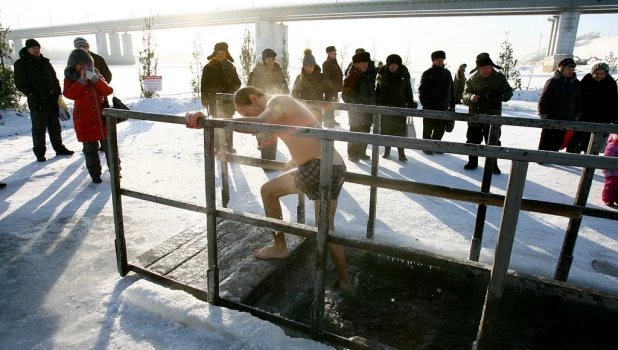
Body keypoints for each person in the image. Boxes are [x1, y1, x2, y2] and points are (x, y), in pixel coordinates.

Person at [184, 86, 352, 291]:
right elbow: (302, 130)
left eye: (247, 113)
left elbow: (261, 123)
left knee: (268, 191)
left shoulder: (276, 101)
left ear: (254, 98)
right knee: (326, 228)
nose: (249, 116)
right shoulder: (286, 104)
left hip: (316, 168)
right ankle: (345, 281)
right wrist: (294, 159)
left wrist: (213, 123)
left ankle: (280, 247)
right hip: (334, 167)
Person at [14, 39, 74, 162]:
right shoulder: (21, 64)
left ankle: (59, 148)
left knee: (55, 128)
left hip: (52, 101)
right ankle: (40, 153)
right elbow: (20, 84)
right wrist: (35, 96)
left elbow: (54, 78)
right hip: (37, 103)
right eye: (33, 48)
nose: (36, 51)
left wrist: (58, 92)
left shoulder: (45, 62)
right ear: (27, 49)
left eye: (38, 48)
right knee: (39, 129)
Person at [62, 49, 114, 184]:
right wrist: (81, 81)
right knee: (90, 150)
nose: (83, 67)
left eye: (86, 64)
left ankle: (115, 171)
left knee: (109, 147)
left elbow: (108, 91)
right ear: (73, 65)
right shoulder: (70, 77)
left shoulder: (96, 75)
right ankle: (95, 174)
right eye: (80, 64)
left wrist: (96, 80)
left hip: (100, 118)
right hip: (84, 119)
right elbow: (69, 94)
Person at [462, 53, 513, 174]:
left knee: (493, 142)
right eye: (483, 68)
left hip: (493, 117)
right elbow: (464, 95)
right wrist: (471, 97)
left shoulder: (499, 78)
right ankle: (472, 162)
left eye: (488, 68)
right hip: (475, 116)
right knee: (473, 141)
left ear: (492, 67)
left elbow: (509, 92)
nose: (486, 70)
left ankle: (493, 165)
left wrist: (500, 96)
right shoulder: (472, 79)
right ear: (478, 68)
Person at [247, 48, 289, 161]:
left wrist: (285, 92)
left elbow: (283, 82)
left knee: (273, 123)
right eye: (268, 59)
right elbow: (253, 86)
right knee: (262, 123)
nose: (271, 61)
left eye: (272, 59)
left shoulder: (278, 69)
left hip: (275, 100)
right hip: (261, 101)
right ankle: (262, 143)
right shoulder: (258, 70)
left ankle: (271, 147)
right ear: (264, 60)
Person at [567, 62, 618, 154]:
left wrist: (614, 118)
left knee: (595, 140)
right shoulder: (585, 82)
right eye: (597, 73)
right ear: (593, 73)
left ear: (606, 73)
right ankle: (573, 157)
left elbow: (613, 102)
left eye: (602, 73)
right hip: (585, 115)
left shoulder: (611, 84)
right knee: (579, 137)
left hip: (601, 117)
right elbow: (577, 99)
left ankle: (589, 158)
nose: (599, 76)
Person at [73, 36, 113, 152]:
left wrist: (99, 84)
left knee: (102, 121)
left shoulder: (97, 59)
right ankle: (90, 144)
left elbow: (107, 75)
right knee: (89, 123)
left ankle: (104, 143)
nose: (83, 48)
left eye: (84, 46)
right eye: (80, 47)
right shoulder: (75, 61)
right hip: (84, 98)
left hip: (99, 96)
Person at [201, 42, 241, 153]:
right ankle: (217, 147)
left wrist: (232, 91)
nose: (221, 55)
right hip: (214, 101)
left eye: (223, 53)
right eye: (219, 53)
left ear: (226, 54)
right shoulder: (208, 67)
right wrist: (204, 99)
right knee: (217, 124)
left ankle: (229, 146)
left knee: (228, 123)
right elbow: (204, 85)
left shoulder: (230, 66)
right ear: (215, 53)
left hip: (228, 101)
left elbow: (238, 82)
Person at [375, 54, 416, 161]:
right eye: (391, 65)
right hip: (386, 106)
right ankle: (387, 149)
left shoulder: (404, 74)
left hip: (400, 107)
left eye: (395, 65)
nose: (393, 67)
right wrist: (376, 102)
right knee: (386, 130)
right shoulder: (382, 74)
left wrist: (410, 103)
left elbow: (408, 90)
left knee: (400, 131)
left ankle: (401, 152)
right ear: (388, 65)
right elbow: (378, 90)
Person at [537, 57, 581, 153]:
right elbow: (544, 98)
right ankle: (540, 157)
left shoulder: (576, 83)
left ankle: (553, 157)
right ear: (562, 69)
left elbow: (578, 100)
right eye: (568, 69)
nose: (571, 71)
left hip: (567, 117)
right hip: (552, 116)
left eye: (572, 69)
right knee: (546, 138)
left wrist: (577, 113)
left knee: (559, 139)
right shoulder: (553, 82)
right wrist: (542, 112)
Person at [342, 51, 376, 162]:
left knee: (365, 130)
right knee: (355, 131)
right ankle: (352, 154)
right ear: (356, 64)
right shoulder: (351, 77)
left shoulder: (369, 77)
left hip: (368, 110)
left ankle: (362, 152)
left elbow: (372, 92)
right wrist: (357, 104)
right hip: (356, 112)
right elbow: (345, 96)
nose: (366, 65)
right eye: (363, 63)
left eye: (366, 62)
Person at [419, 50, 456, 154]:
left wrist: (452, 105)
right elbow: (422, 91)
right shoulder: (427, 73)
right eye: (438, 60)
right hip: (430, 107)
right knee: (428, 128)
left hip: (443, 107)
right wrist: (426, 105)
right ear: (433, 60)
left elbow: (451, 90)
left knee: (440, 128)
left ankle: (436, 146)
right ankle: (427, 147)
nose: (440, 61)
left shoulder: (447, 73)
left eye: (442, 59)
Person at [292, 49, 326, 122]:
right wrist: (298, 105)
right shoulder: (299, 78)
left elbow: (329, 91)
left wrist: (325, 103)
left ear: (314, 65)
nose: (308, 69)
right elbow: (294, 93)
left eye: (310, 66)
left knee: (317, 130)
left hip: (317, 109)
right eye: (306, 66)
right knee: (304, 131)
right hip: (304, 109)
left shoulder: (321, 77)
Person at [322, 45, 343, 128]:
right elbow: (327, 77)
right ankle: (327, 121)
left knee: (333, 104)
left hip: (335, 88)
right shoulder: (326, 63)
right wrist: (331, 87)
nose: (335, 54)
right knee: (329, 104)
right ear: (329, 53)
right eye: (333, 53)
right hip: (329, 89)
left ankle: (331, 119)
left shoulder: (334, 62)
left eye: (335, 52)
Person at [602, 134, 618, 207]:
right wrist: (606, 170)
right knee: (610, 186)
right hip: (612, 172)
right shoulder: (612, 145)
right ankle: (608, 199)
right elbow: (606, 159)